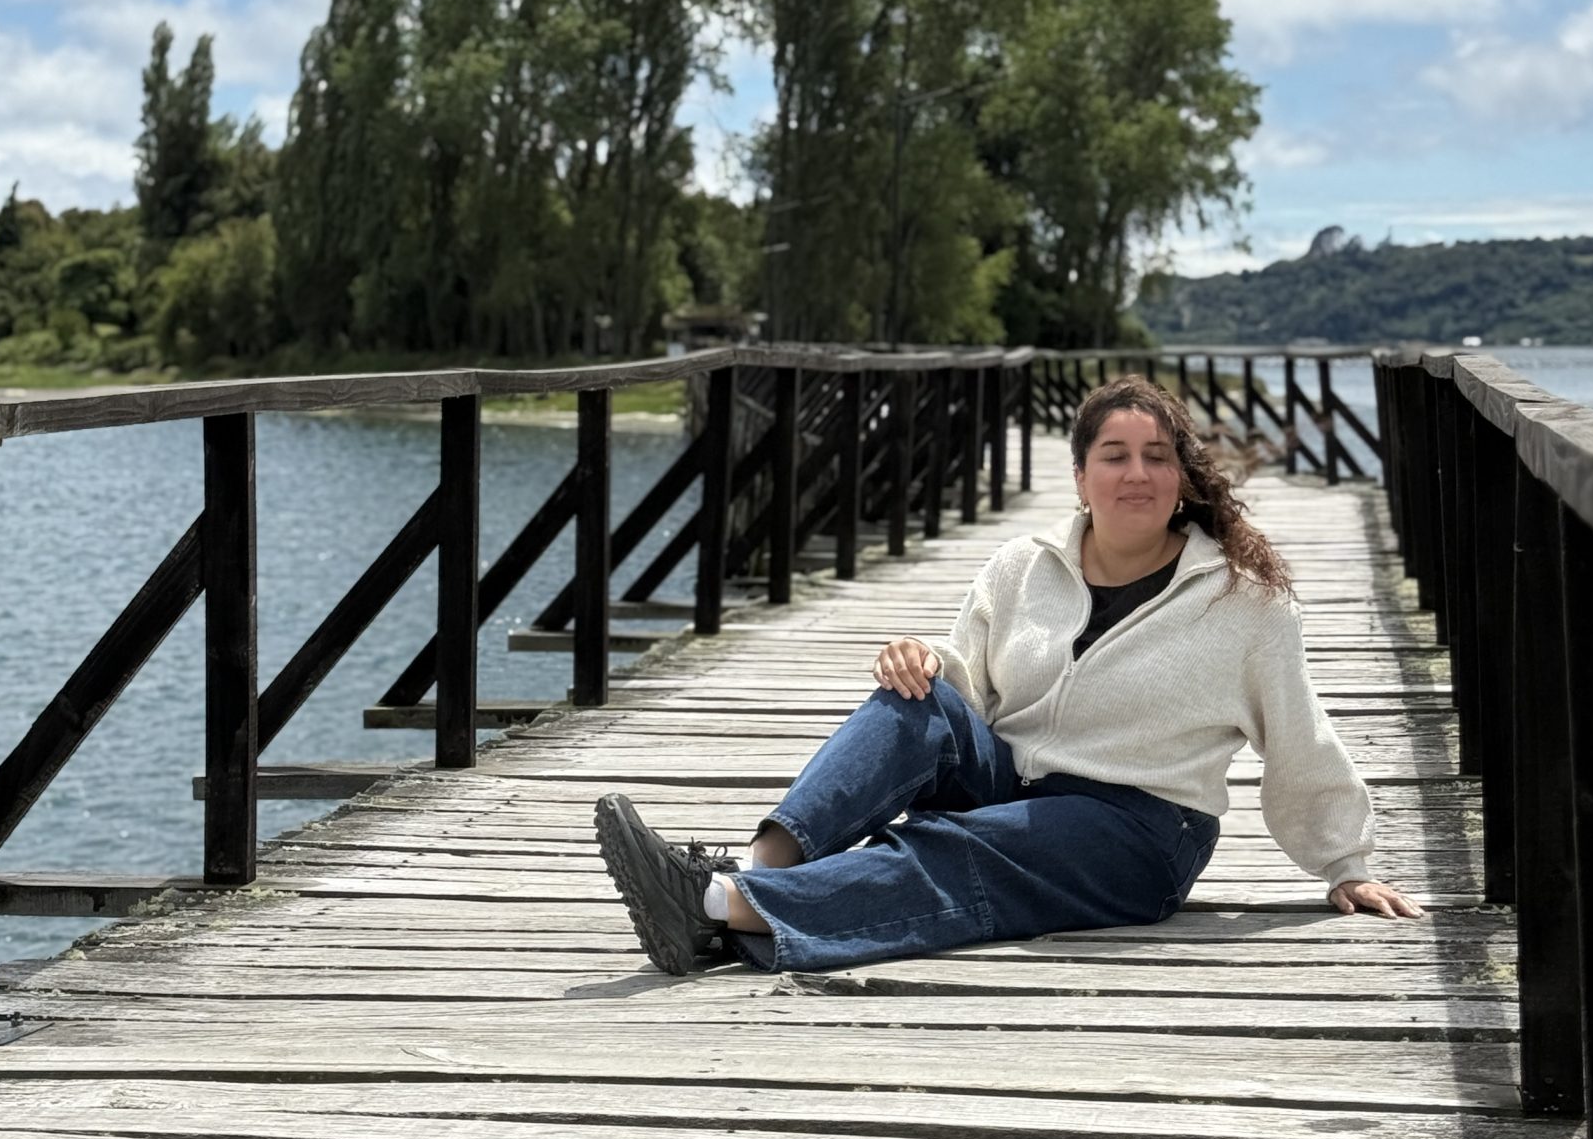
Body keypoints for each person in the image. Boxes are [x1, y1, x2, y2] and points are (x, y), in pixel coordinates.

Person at [594, 373, 1422, 975]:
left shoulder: (1244, 604)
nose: (1136, 474)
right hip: (1014, 782)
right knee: (911, 700)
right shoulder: (1023, 565)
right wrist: (921, 663)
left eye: (1157, 457)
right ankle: (751, 872)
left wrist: (1345, 864)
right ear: (1081, 477)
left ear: (1181, 479)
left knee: (959, 847)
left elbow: (1300, 736)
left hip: (1138, 829)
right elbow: (964, 689)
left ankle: (715, 909)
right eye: (1114, 455)